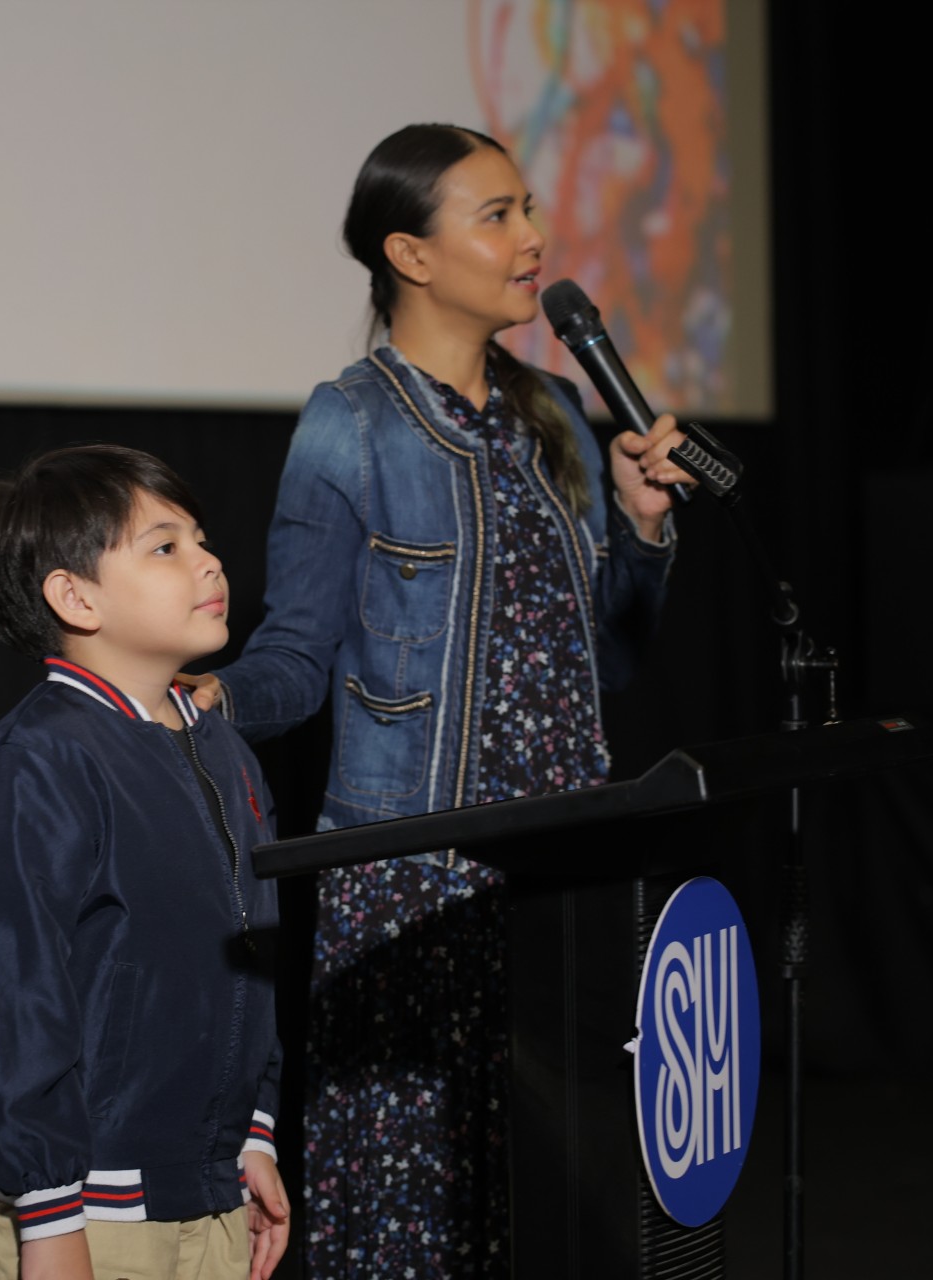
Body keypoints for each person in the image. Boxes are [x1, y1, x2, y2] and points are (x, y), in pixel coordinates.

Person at [181, 124, 690, 1276]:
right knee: (415, 1227)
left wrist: (645, 533)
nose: (536, 238)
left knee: (557, 1206)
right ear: (411, 254)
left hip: (564, 871)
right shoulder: (349, 422)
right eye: (498, 215)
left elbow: (601, 664)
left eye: (530, 208)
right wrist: (190, 698)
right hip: (417, 875)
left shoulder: (558, 412)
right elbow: (296, 659)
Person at [0, 445, 290, 1280]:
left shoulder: (227, 751)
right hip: (87, 1219)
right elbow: (14, 1006)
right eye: (165, 546)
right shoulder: (29, 764)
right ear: (74, 595)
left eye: (202, 539)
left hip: (210, 1202)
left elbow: (252, 955)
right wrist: (49, 1217)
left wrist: (254, 1134)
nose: (208, 560)